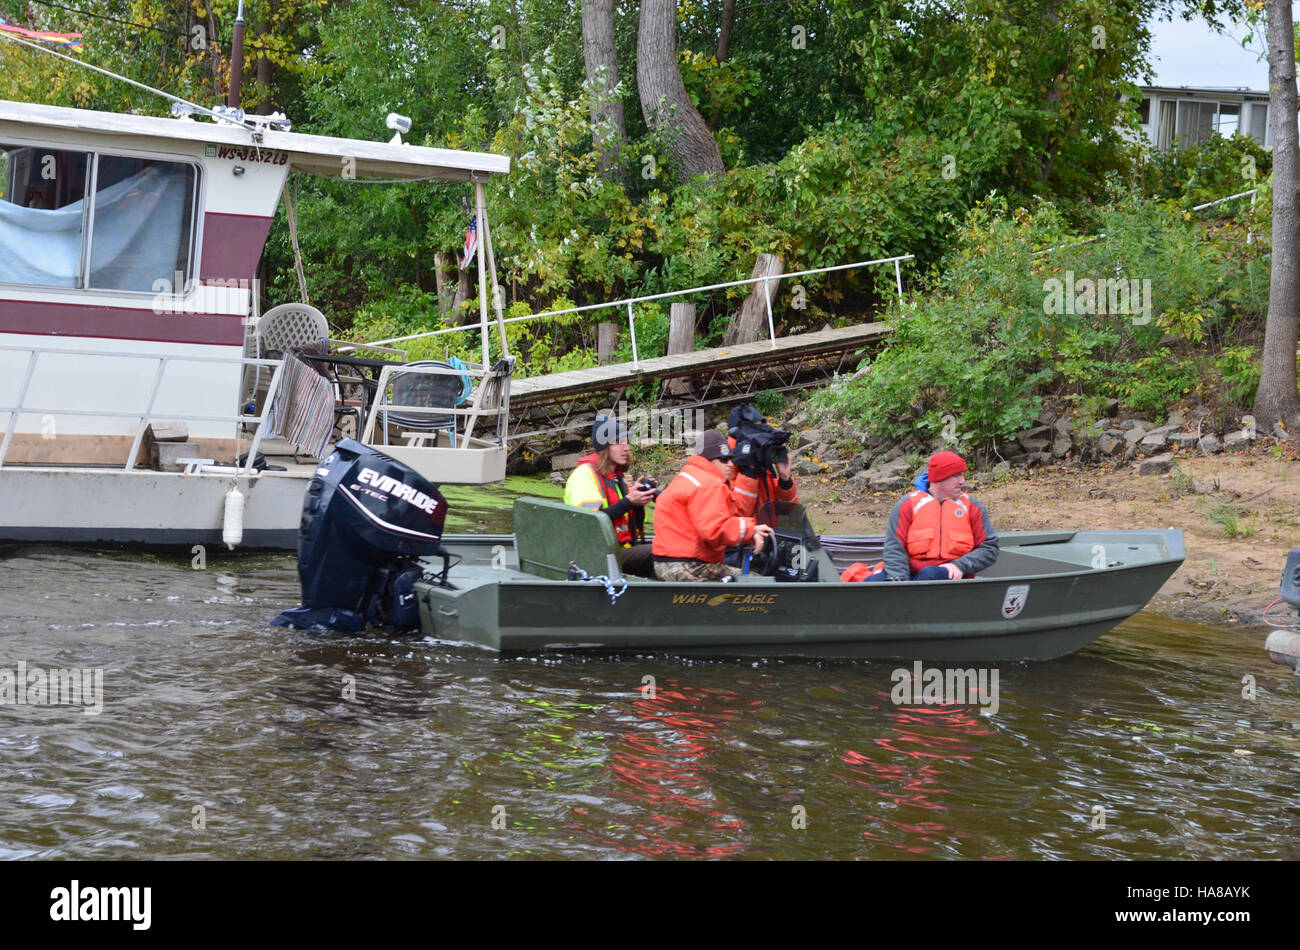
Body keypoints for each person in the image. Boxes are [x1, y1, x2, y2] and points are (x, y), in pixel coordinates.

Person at [652, 430, 775, 582]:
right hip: (688, 565)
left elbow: (715, 521)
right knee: (757, 581)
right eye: (724, 459)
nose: (730, 464)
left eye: (731, 458)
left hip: (666, 564)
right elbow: (714, 529)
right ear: (708, 460)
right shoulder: (709, 484)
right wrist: (751, 531)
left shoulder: (689, 476)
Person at [857, 450, 998, 582]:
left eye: (962, 475)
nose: (962, 481)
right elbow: (894, 548)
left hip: (950, 576)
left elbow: (989, 548)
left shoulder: (972, 506)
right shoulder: (908, 504)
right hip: (907, 575)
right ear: (939, 479)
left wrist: (959, 565)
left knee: (930, 574)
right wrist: (898, 581)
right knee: (869, 585)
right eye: (956, 476)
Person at [564, 413, 656, 577]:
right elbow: (592, 524)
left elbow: (635, 526)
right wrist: (628, 502)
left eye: (626, 442)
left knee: (668, 546)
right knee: (657, 551)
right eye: (619, 443)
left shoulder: (618, 477)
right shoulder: (584, 475)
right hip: (596, 556)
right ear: (605, 447)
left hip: (620, 551)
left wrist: (639, 502)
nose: (626, 448)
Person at [728, 436, 797, 518]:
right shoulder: (726, 470)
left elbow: (786, 510)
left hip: (770, 529)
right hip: (751, 530)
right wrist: (748, 472)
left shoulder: (766, 470)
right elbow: (735, 518)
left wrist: (785, 479)